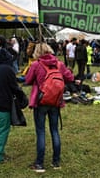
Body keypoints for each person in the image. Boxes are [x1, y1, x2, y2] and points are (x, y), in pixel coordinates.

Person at [25, 42, 74, 173]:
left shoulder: (36, 64)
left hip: (41, 101)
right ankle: (56, 162)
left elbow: (28, 80)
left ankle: (39, 164)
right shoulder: (59, 64)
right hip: (56, 102)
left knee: (40, 132)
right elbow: (70, 77)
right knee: (55, 130)